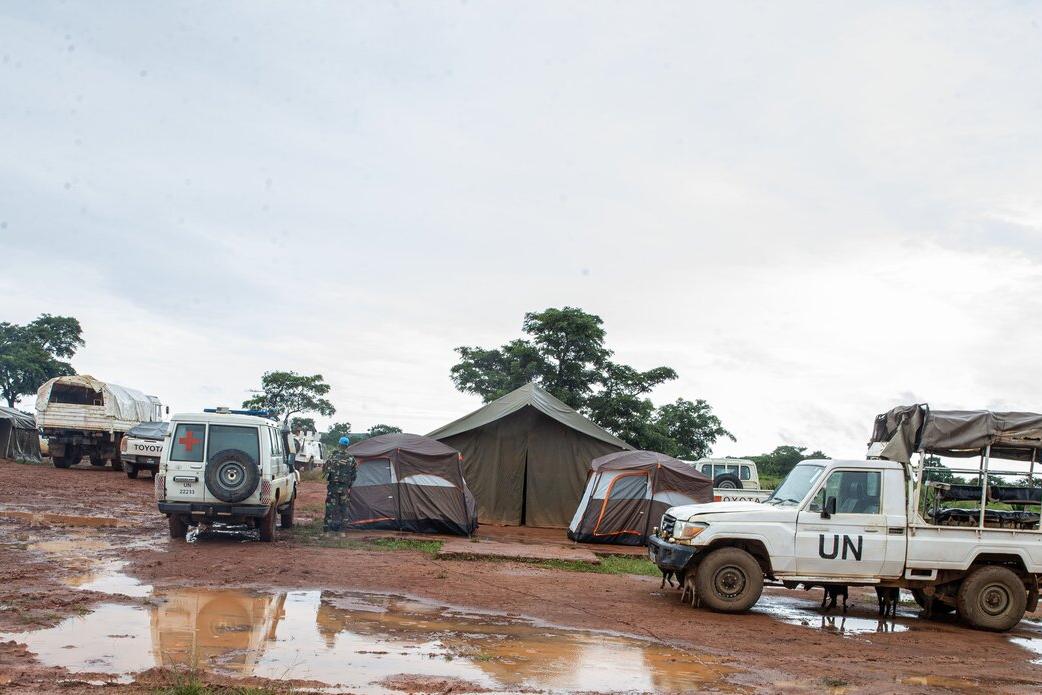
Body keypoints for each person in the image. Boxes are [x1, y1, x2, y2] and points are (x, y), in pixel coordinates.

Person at [323, 436, 357, 532]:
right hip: (344, 488)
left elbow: (325, 469)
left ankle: (327, 529)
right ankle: (342, 530)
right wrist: (349, 485)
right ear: (347, 446)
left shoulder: (332, 456)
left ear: (339, 444)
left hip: (333, 487)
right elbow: (354, 474)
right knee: (344, 508)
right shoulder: (351, 458)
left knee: (330, 507)